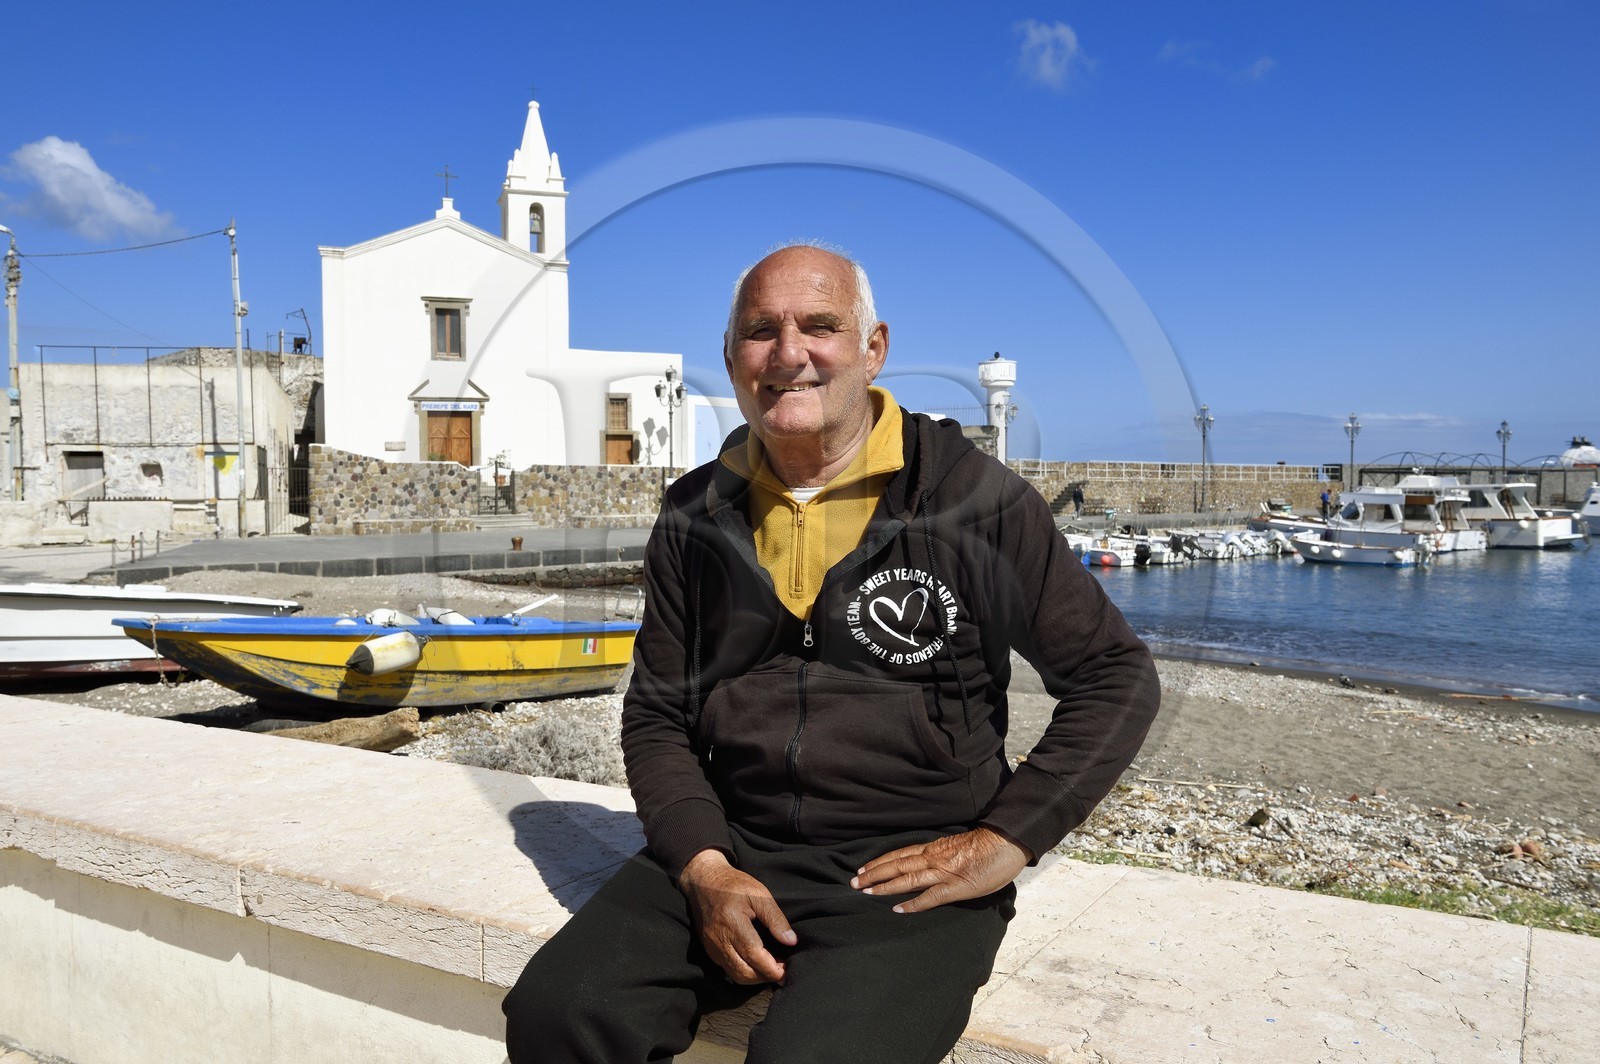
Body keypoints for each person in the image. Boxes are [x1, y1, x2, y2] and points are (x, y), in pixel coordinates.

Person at [503, 243, 1160, 1064]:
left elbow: (1113, 676)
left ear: (873, 347)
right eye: (760, 331)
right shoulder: (694, 513)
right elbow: (660, 713)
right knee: (560, 1013)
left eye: (821, 325)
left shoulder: (973, 501)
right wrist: (703, 863)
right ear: (732, 357)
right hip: (734, 843)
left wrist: (1006, 839)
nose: (789, 354)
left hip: (910, 870)